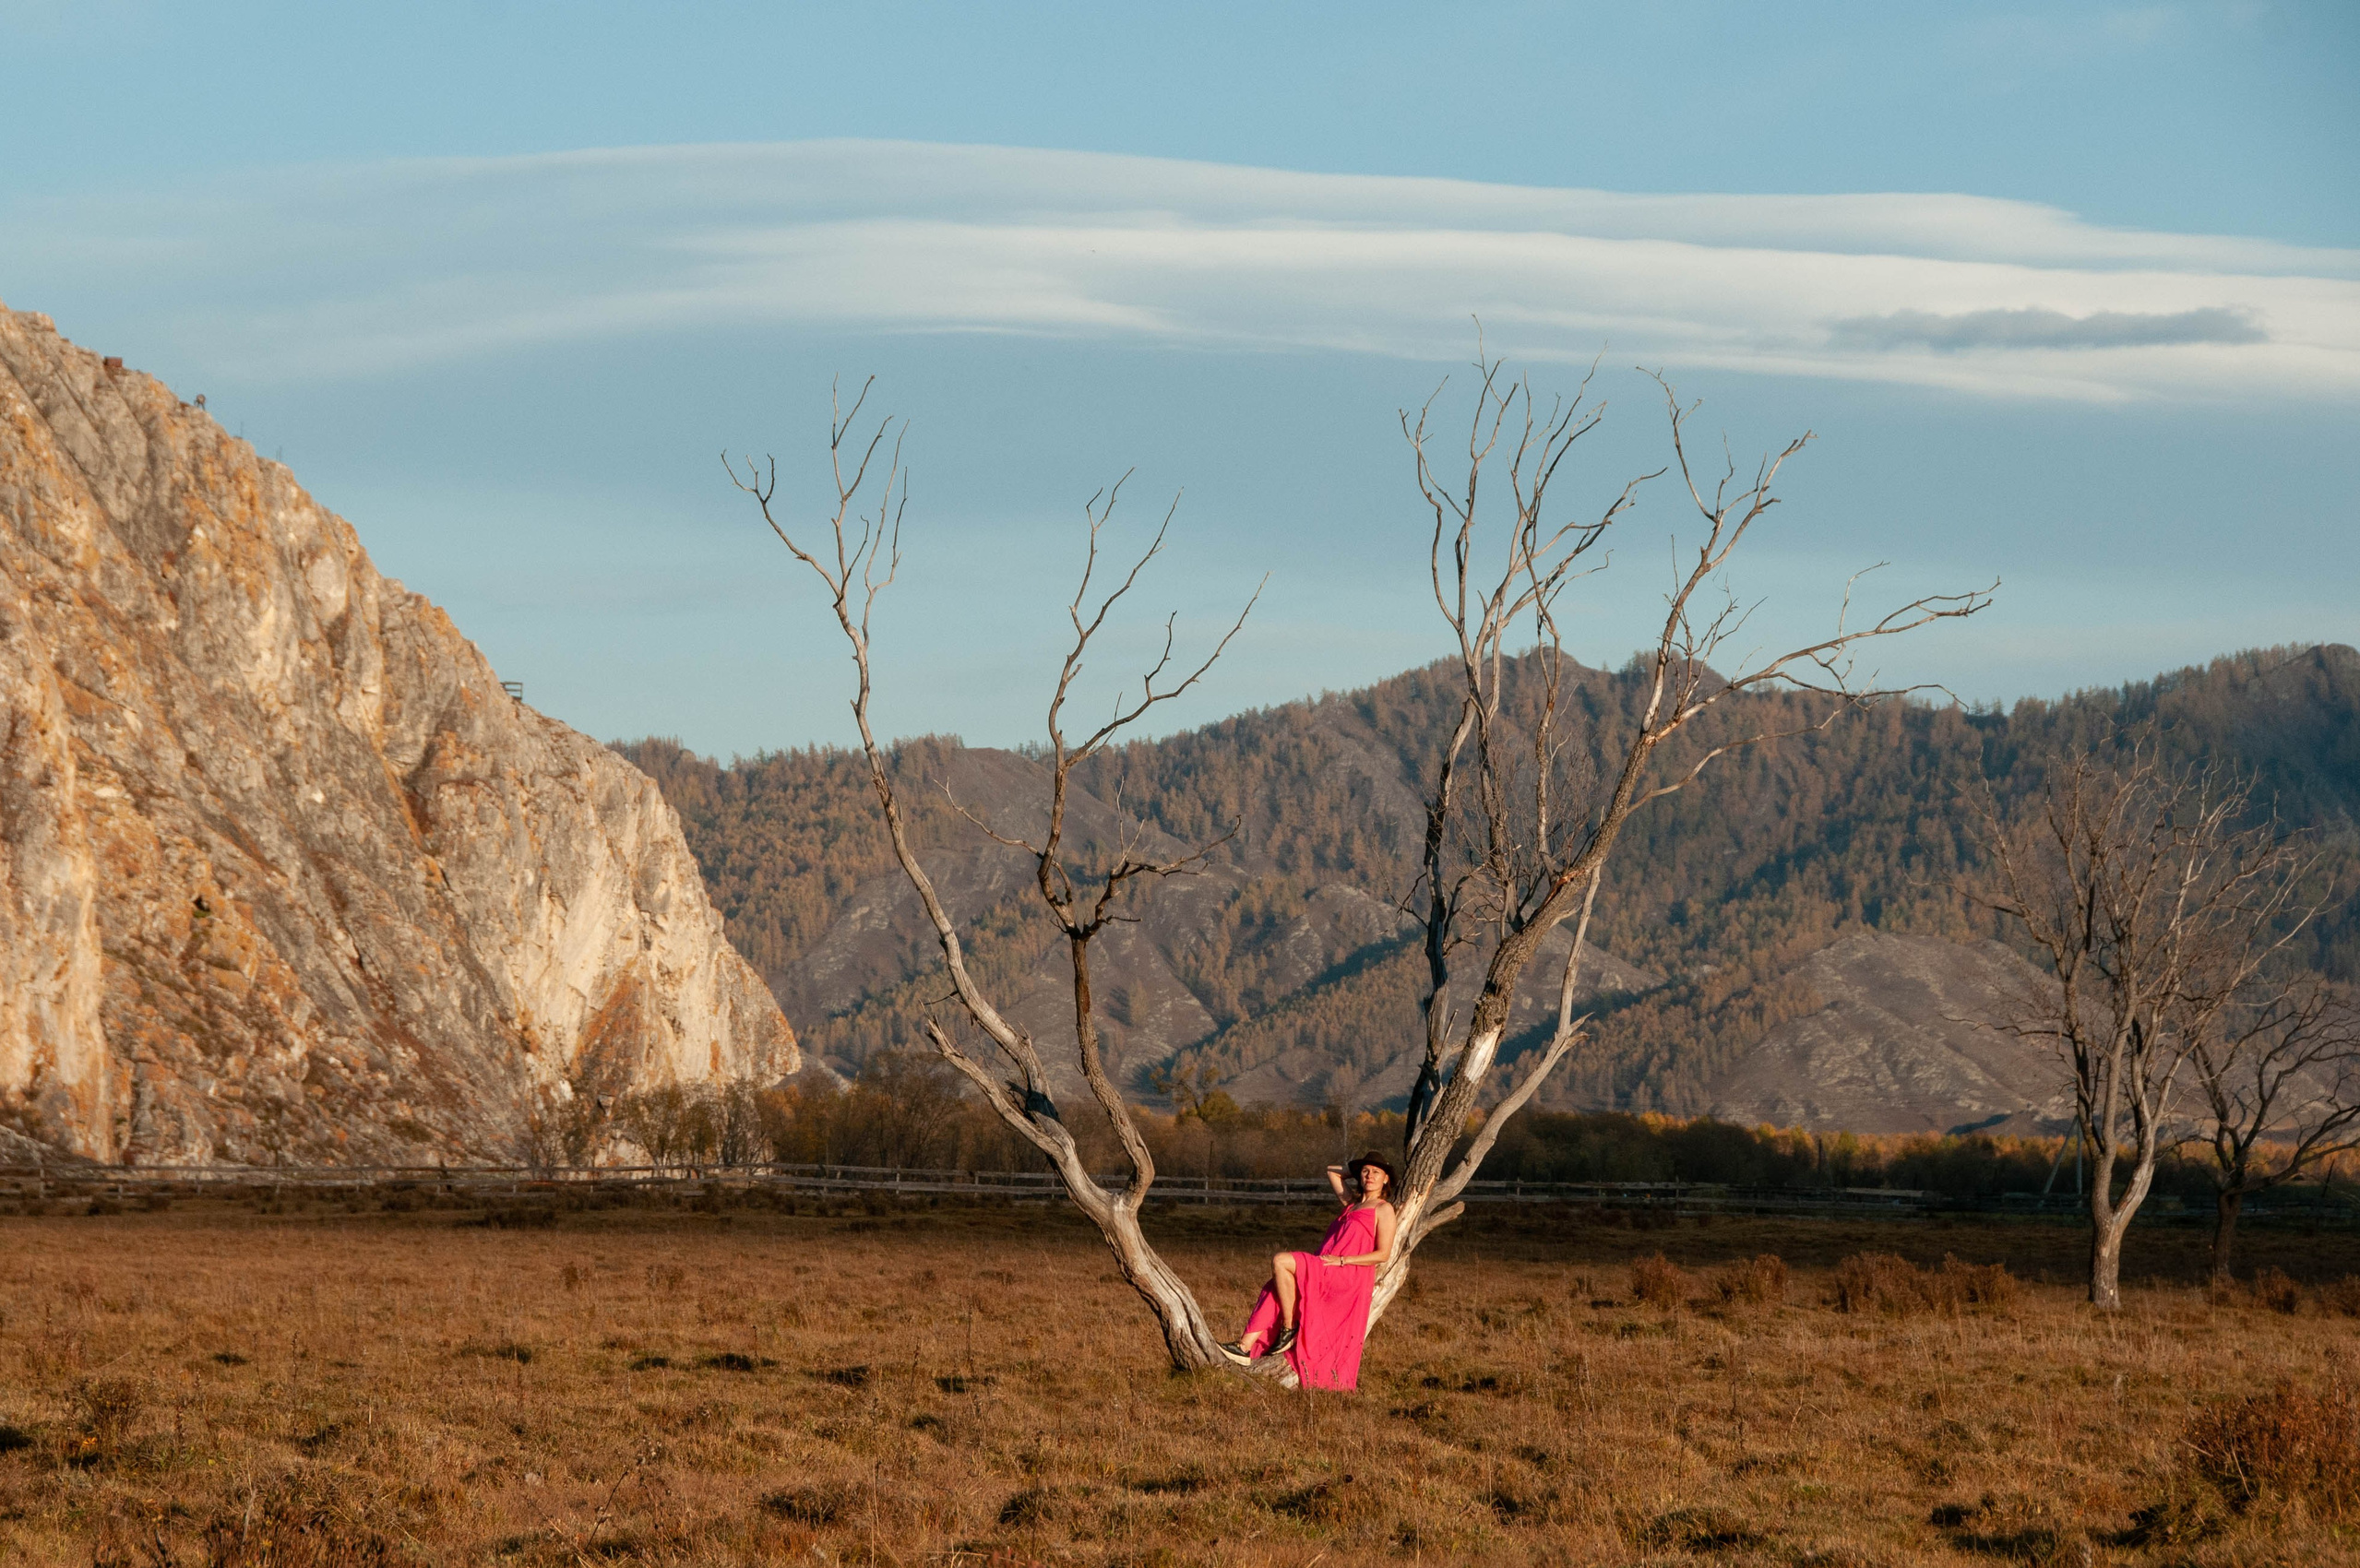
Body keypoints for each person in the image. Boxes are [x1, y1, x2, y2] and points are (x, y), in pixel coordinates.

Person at [1222, 1151, 1399, 1390]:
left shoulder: (1383, 1209)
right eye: (1365, 1171)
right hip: (1326, 1265)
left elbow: (1383, 1254)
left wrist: (1342, 1260)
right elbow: (1333, 1171)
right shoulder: (1352, 1204)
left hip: (1345, 1274)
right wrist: (1355, 1169)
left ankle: (1288, 1328)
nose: (1369, 1176)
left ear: (1386, 1179)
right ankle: (1244, 1347)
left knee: (1281, 1261)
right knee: (1275, 1286)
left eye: (1376, 1172)